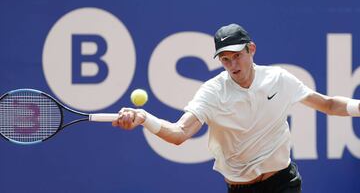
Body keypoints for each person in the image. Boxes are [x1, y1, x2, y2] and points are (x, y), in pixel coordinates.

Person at [112, 23, 360, 193]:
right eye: (225, 59)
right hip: (242, 187)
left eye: (237, 56)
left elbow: (327, 104)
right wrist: (144, 118)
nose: (232, 65)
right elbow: (179, 134)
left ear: (251, 49)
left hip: (283, 180)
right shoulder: (212, 92)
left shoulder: (278, 78)